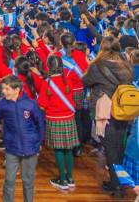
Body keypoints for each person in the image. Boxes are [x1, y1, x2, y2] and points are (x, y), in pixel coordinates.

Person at [0, 75, 45, 202]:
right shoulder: (2, 104)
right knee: (9, 181)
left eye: (7, 89)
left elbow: (41, 124)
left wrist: (39, 142)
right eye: (3, 88)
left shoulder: (30, 104)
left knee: (28, 181)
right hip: (12, 148)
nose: (3, 91)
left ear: (17, 89)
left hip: (30, 149)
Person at [82, 36, 135, 195]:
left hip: (106, 111)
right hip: (123, 109)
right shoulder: (126, 64)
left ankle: (117, 186)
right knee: (118, 148)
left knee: (111, 150)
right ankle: (117, 181)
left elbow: (85, 81)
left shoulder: (97, 65)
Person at [37, 54, 80, 190]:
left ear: (48, 66)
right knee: (68, 148)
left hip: (54, 119)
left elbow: (42, 104)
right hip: (69, 117)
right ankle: (70, 178)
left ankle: (62, 179)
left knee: (58, 149)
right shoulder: (68, 78)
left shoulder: (47, 83)